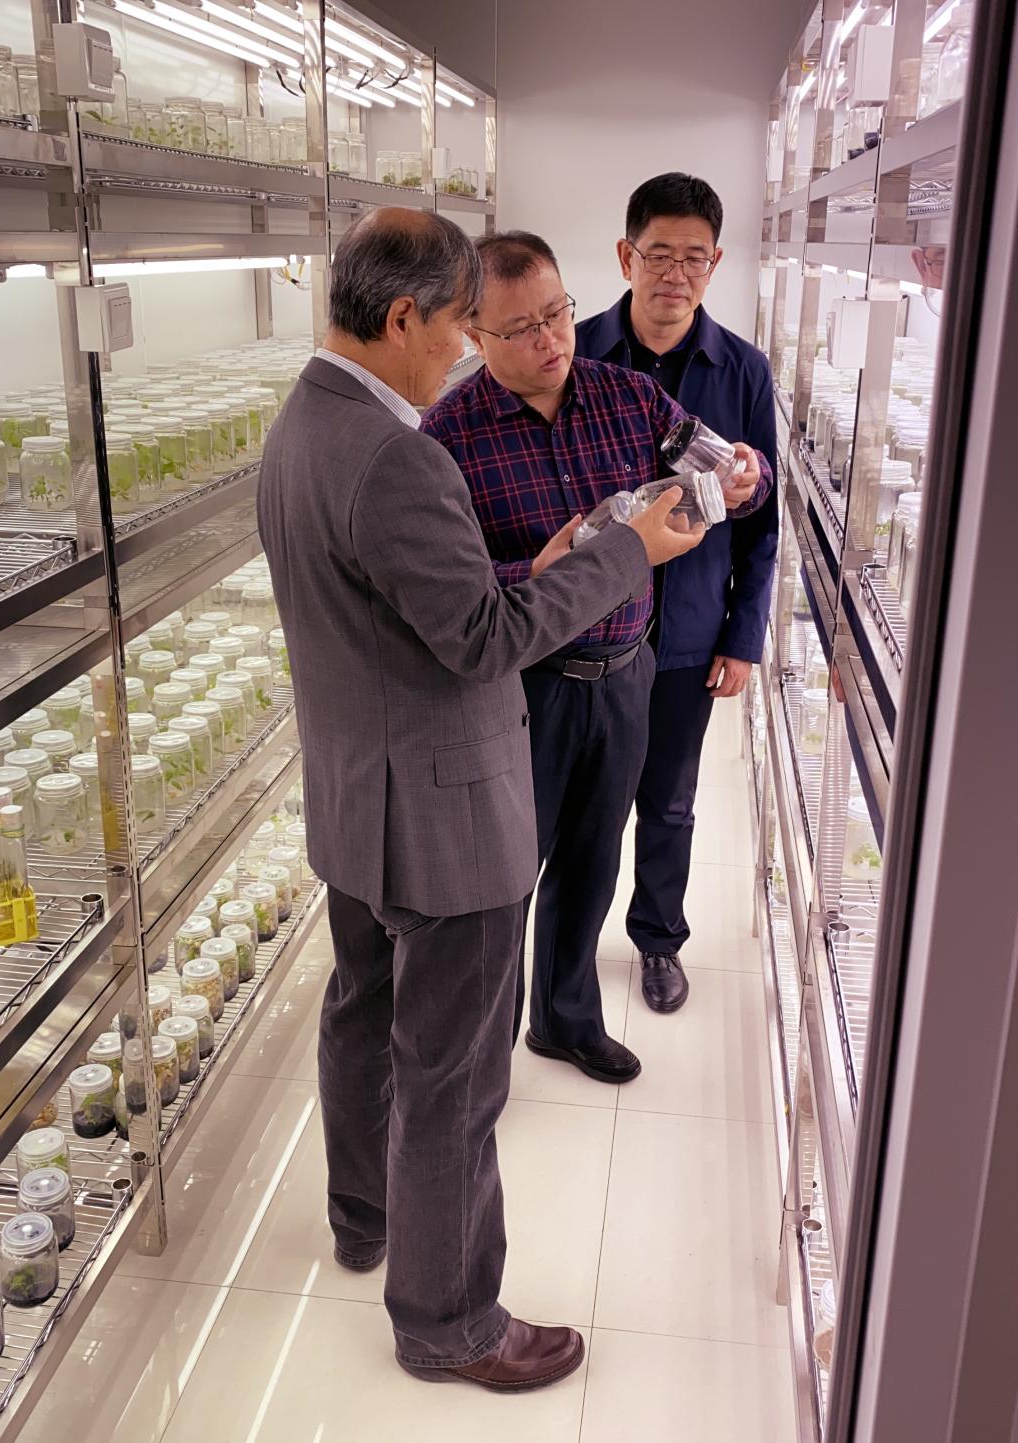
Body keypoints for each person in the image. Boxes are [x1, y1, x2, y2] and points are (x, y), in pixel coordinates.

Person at [256, 208, 703, 1392]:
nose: (464, 350)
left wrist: (529, 568)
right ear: (402, 317)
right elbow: (483, 640)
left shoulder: (303, 424)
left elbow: (407, 608)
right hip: (442, 816)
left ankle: (365, 1219)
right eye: (461, 326)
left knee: (363, 1014)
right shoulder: (399, 455)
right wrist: (627, 554)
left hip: (356, 800)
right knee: (451, 1075)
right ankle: (448, 1321)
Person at [421, 231, 770, 1083]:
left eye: (557, 314)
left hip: (623, 673)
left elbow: (718, 468)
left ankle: (565, 1019)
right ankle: (482, 1057)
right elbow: (444, 590)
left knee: (591, 859)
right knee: (503, 882)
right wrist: (529, 572)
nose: (550, 340)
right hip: (520, 690)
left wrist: (742, 475)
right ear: (474, 335)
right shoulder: (445, 437)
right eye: (521, 329)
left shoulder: (628, 397)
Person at [576, 174, 779, 1014]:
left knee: (669, 800)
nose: (676, 274)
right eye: (659, 254)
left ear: (715, 264)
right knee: (582, 804)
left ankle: (658, 939)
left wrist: (743, 636)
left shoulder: (743, 370)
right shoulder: (576, 355)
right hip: (585, 628)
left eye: (694, 258)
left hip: (688, 630)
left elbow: (765, 520)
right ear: (626, 256)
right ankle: (567, 954)